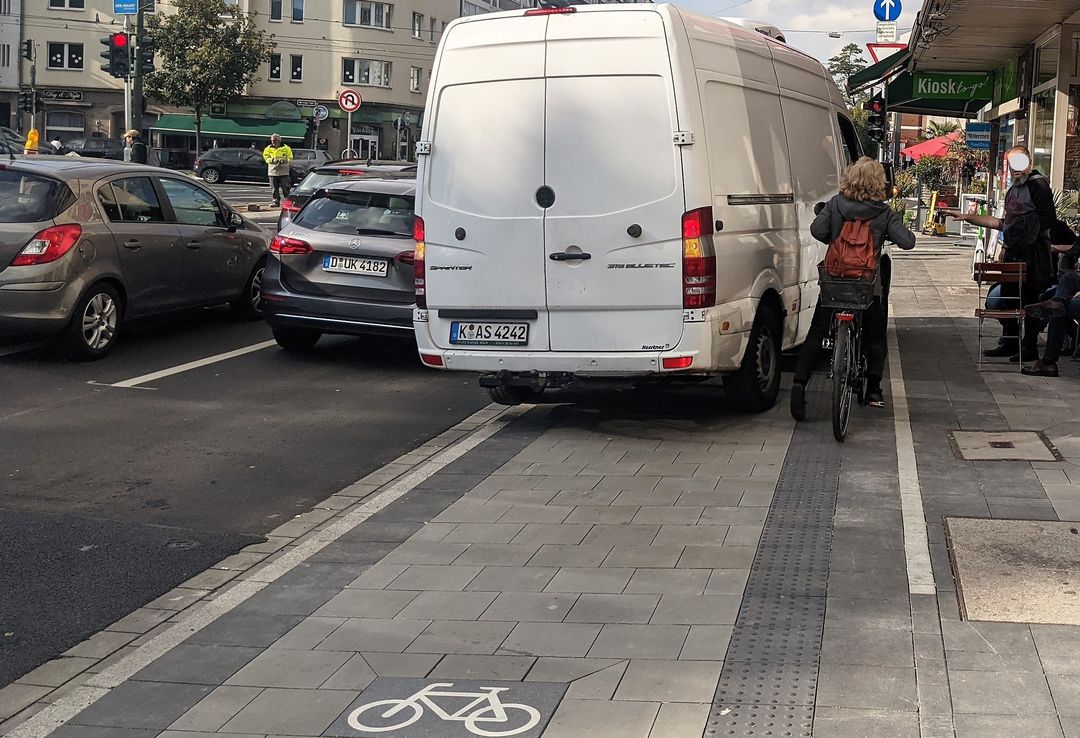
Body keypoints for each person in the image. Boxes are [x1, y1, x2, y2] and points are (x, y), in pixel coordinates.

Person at [790, 157, 916, 421]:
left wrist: (834, 239)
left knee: (817, 332)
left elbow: (816, 230)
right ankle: (873, 389)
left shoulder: (836, 204)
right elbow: (908, 242)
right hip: (868, 285)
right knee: (876, 335)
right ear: (878, 184)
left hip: (835, 280)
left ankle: (799, 385)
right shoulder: (883, 213)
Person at [946, 146, 1056, 361]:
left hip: (1032, 255)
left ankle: (1028, 347)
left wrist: (1026, 235)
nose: (1015, 168)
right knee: (1009, 299)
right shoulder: (1014, 188)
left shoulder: (1037, 185)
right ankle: (1010, 342)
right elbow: (1003, 223)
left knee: (1030, 300)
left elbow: (1047, 219)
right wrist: (967, 217)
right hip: (1013, 252)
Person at [263, 133, 294, 206]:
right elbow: (266, 157)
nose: (273, 142)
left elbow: (290, 157)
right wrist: (273, 160)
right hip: (272, 171)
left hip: (284, 171)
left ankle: (288, 201)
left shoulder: (286, 148)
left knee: (286, 187)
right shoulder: (268, 148)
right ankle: (275, 201)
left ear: (279, 140)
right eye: (272, 140)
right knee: (274, 187)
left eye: (275, 140)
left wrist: (284, 160)